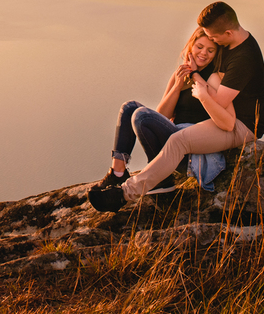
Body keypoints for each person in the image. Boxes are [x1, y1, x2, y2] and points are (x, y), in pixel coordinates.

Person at [88, 1, 264, 212]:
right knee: (133, 110)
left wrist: (197, 81)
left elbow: (225, 117)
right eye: (201, 44)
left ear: (227, 33)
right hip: (220, 118)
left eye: (213, 41)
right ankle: (117, 174)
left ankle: (124, 194)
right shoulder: (230, 46)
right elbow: (163, 114)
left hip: (244, 125)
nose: (209, 44)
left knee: (174, 138)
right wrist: (182, 81)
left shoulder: (241, 58)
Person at [94, 27, 222, 191]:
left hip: (190, 149)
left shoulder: (213, 77)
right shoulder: (180, 73)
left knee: (141, 116)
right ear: (191, 47)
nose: (204, 53)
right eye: (199, 47)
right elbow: (161, 115)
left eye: (210, 50)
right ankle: (117, 173)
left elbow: (217, 107)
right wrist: (177, 86)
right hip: (173, 140)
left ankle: (160, 176)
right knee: (130, 108)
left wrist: (196, 74)